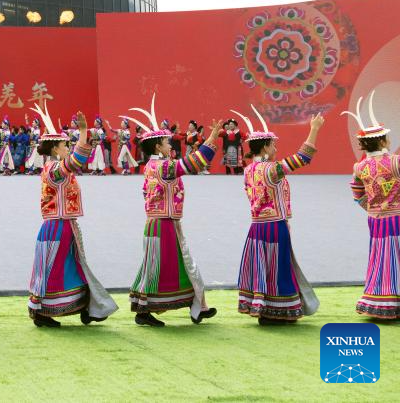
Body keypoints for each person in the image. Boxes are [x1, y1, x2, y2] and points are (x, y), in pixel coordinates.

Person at [123, 95, 220, 327]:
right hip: (162, 224)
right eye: (167, 143)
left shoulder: (153, 166)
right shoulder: (163, 166)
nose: (170, 146)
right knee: (159, 268)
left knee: (177, 265)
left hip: (164, 222)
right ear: (158, 146)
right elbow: (194, 164)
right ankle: (145, 310)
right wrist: (214, 137)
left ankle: (197, 307)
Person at [27, 105, 117, 327]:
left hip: (62, 226)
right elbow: (76, 161)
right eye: (65, 145)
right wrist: (84, 133)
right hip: (58, 227)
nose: (68, 148)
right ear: (56, 150)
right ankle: (47, 312)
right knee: (57, 269)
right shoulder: (54, 170)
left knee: (72, 267)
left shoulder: (54, 168)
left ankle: (87, 307)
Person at [234, 106, 322, 325]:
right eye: (273, 144)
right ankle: (277, 311)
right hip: (274, 226)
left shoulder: (249, 170)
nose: (276, 147)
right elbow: (302, 158)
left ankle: (264, 308)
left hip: (257, 227)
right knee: (278, 266)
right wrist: (314, 129)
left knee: (264, 267)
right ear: (265, 146)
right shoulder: (271, 170)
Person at [344, 92, 400, 320]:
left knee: (381, 257)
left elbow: (356, 192)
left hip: (376, 220)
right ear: (383, 141)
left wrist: (371, 207)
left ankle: (379, 298)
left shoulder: (360, 167)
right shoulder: (396, 162)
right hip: (397, 217)